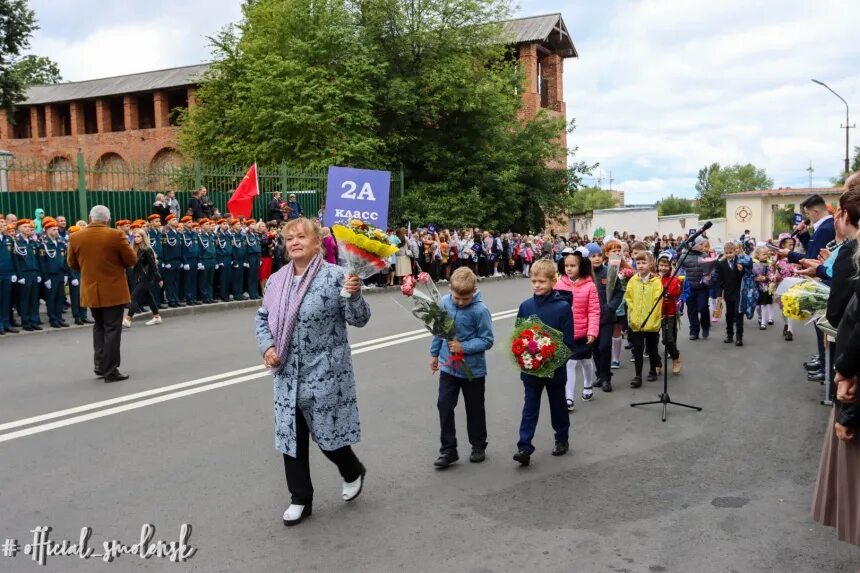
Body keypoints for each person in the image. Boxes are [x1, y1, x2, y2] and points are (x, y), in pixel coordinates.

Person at [255, 217, 370, 527]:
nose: (294, 242)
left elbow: (359, 319)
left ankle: (351, 470)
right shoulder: (278, 280)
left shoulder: (337, 277)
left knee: (328, 435)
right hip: (286, 372)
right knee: (291, 435)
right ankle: (300, 498)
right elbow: (262, 318)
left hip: (326, 370)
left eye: (301, 236)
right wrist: (268, 348)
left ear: (318, 242)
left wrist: (355, 293)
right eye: (289, 237)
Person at [512, 258, 575, 466]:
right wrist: (526, 356)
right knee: (529, 407)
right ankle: (524, 446)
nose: (537, 285)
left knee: (558, 406)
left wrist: (551, 358)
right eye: (534, 281)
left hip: (555, 370)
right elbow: (518, 335)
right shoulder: (526, 306)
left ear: (553, 281)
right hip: (531, 371)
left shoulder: (563, 307)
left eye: (542, 281)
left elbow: (568, 341)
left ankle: (561, 438)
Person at [430, 267, 494, 468]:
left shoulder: (480, 310)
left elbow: (487, 340)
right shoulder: (444, 303)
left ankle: (478, 445)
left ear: (474, 290)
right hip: (449, 367)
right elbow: (439, 331)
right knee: (444, 406)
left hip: (472, 370)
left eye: (464, 299)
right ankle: (448, 450)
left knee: (474, 408)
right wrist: (434, 353)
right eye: (456, 297)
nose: (459, 302)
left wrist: (463, 347)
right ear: (449, 289)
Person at [67, 205, 137, 382]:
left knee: (99, 327)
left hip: (90, 289)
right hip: (113, 289)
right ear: (108, 219)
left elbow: (72, 263)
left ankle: (99, 365)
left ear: (90, 218)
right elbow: (131, 259)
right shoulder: (115, 235)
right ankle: (111, 370)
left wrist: (89, 271)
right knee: (113, 329)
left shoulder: (76, 236)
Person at [554, 248, 599, 411]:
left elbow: (594, 310)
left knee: (586, 361)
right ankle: (569, 397)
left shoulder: (590, 286)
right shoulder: (559, 284)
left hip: (584, 333)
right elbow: (556, 308)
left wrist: (592, 331)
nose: (569, 269)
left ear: (582, 266)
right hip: (567, 333)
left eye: (573, 265)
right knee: (570, 363)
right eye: (567, 265)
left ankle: (588, 384)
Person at [589, 242, 623, 391]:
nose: (596, 258)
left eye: (598, 255)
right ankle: (599, 376)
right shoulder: (584, 275)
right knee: (595, 348)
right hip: (591, 319)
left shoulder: (610, 272)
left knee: (605, 346)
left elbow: (619, 292)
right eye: (592, 256)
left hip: (607, 317)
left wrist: (610, 307)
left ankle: (606, 378)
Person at [625, 252, 662, 387]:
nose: (640, 266)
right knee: (638, 348)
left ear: (651, 264)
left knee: (652, 347)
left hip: (651, 322)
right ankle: (638, 375)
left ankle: (653, 369)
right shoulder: (633, 280)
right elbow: (628, 297)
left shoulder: (656, 282)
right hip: (636, 322)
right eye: (638, 263)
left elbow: (657, 301)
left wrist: (652, 318)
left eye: (643, 263)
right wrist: (633, 311)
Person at [124, 229, 163, 327]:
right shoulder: (135, 249)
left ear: (143, 237)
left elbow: (153, 265)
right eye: (135, 237)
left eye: (139, 236)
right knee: (148, 297)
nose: (136, 239)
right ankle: (157, 317)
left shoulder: (147, 249)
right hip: (139, 277)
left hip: (146, 277)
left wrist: (159, 278)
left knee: (134, 297)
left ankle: (128, 319)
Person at [715, 241, 751, 347]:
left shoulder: (740, 261)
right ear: (724, 253)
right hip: (728, 292)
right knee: (729, 314)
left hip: (739, 291)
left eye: (731, 252)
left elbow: (748, 274)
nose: (729, 255)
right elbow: (719, 280)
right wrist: (719, 295)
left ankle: (739, 337)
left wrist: (742, 270)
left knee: (738, 313)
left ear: (735, 251)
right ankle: (729, 335)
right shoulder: (721, 263)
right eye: (726, 253)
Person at [38, 218, 69, 328]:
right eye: (53, 229)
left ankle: (59, 317)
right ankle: (53, 319)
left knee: (60, 297)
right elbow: (42, 263)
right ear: (47, 230)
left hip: (60, 274)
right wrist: (45, 278)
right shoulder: (43, 244)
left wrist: (65, 274)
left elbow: (65, 259)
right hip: (50, 275)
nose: (56, 231)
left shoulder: (60, 242)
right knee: (51, 299)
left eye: (56, 229)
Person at [12, 219, 41, 331]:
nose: (28, 229)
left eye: (29, 227)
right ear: (19, 228)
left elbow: (36, 259)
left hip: (34, 273)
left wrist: (38, 273)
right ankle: (26, 322)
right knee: (25, 299)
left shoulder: (31, 242)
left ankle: (34, 321)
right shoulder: (16, 242)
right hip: (24, 274)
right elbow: (16, 261)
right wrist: (20, 276)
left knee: (34, 299)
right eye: (25, 227)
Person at [656, 252, 683, 375]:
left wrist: (670, 277)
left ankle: (676, 358)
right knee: (652, 340)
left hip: (669, 312)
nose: (663, 268)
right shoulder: (653, 277)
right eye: (661, 265)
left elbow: (673, 292)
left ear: (671, 266)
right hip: (655, 313)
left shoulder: (675, 279)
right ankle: (656, 363)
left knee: (667, 339)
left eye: (666, 266)